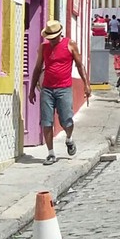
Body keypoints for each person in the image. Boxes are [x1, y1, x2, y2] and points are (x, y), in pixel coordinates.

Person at [27, 20, 91, 165]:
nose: (52, 41)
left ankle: (69, 138)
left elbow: (80, 65)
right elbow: (37, 69)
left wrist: (86, 84)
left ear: (60, 34)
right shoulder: (43, 48)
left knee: (66, 120)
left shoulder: (70, 45)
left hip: (64, 88)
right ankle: (50, 153)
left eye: (54, 38)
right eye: (49, 38)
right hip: (47, 89)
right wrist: (31, 90)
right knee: (46, 121)